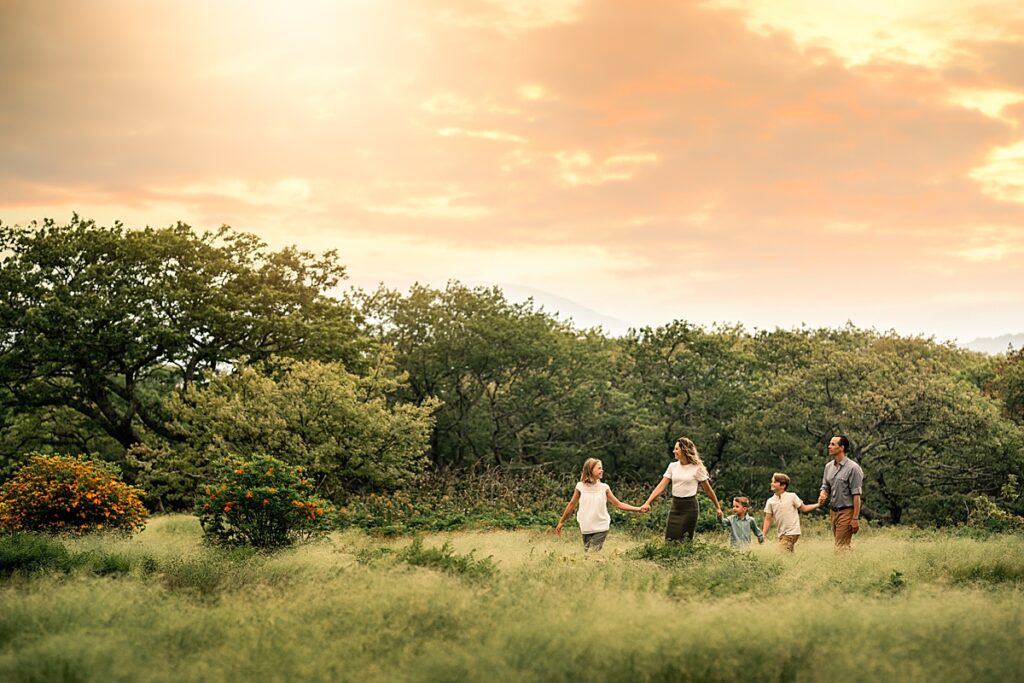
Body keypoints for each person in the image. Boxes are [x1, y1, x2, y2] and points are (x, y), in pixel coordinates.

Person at [640, 436, 724, 541]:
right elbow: (661, 486)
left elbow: (708, 490)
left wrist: (718, 507)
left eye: (676, 449)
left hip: (690, 507)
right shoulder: (672, 466)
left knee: (684, 541)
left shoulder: (697, 468)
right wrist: (648, 502)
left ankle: (685, 557)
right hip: (676, 506)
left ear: (684, 450)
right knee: (670, 539)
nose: (673, 451)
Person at [555, 458, 642, 551]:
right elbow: (572, 504)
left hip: (601, 526)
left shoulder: (604, 488)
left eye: (602, 468)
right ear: (590, 470)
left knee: (592, 553)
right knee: (588, 554)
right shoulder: (580, 486)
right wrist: (561, 522)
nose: (602, 470)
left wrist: (638, 509)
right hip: (586, 526)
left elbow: (618, 504)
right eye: (599, 468)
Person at [817, 434, 864, 549]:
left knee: (840, 546)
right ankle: (854, 565)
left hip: (847, 511)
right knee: (843, 545)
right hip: (833, 512)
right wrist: (822, 494)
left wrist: (855, 518)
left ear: (842, 447)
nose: (829, 446)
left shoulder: (853, 468)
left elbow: (856, 495)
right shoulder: (828, 467)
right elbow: (825, 486)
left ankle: (844, 565)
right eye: (829, 444)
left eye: (833, 444)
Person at [762, 473, 820, 552]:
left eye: (775, 482)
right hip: (782, 533)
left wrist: (818, 504)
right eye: (772, 481)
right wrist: (763, 534)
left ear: (783, 486)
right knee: (788, 555)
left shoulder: (792, 496)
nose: (772, 483)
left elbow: (804, 508)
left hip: (793, 531)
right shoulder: (770, 501)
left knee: (780, 552)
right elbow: (767, 519)